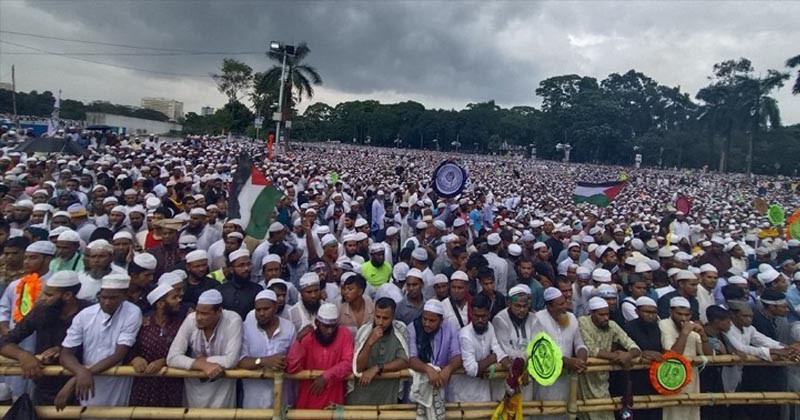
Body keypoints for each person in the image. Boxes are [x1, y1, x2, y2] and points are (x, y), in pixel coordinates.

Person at [56, 274, 143, 412]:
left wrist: (76, 379)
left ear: (124, 296)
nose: (107, 302)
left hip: (115, 378)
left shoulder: (132, 312)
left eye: (113, 298)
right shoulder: (85, 315)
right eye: (103, 297)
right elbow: (66, 354)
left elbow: (119, 354)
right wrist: (80, 372)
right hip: (86, 379)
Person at [0, 271, 89, 405]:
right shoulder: (41, 310)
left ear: (67, 296)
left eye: (49, 295)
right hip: (45, 385)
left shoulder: (89, 312)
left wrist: (63, 350)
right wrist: (23, 355)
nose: (42, 298)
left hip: (82, 383)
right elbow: (5, 342)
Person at [166, 289, 243, 408]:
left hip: (222, 386)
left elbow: (231, 360)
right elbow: (172, 357)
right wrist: (202, 365)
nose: (199, 317)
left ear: (218, 312)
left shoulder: (233, 320)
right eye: (198, 312)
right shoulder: (191, 319)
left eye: (204, 314)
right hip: (193, 385)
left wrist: (203, 361)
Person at [577, 297, 641, 420]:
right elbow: (591, 349)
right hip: (585, 376)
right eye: (601, 315)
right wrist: (617, 356)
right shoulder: (583, 322)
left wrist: (628, 355)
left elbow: (634, 346)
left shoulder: (611, 325)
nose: (605, 318)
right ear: (592, 313)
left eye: (607, 314)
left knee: (605, 412)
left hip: (603, 378)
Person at [532, 287, 588, 420]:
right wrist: (569, 362)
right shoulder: (538, 319)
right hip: (545, 382)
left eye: (566, 302)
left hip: (566, 380)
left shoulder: (572, 318)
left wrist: (581, 359)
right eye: (561, 304)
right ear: (549, 307)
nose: (566, 307)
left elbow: (580, 344)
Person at [286, 303, 354, 409]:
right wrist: (298, 341)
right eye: (326, 326)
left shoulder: (344, 334)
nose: (329, 331)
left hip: (333, 399)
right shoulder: (307, 337)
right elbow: (292, 367)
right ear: (317, 323)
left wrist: (326, 377)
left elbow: (348, 363)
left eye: (333, 326)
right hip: (308, 398)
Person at [128, 283, 185, 407]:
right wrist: (135, 358)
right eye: (174, 298)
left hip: (171, 385)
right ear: (160, 304)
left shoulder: (181, 324)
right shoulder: (142, 323)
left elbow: (187, 351)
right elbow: (129, 347)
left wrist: (164, 361)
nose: (179, 300)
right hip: (143, 384)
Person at [238, 289, 296, 409]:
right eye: (258, 310)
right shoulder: (246, 328)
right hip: (254, 399)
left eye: (266, 309)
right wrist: (264, 361)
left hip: (282, 398)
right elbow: (241, 361)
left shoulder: (289, 328)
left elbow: (294, 359)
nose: (261, 313)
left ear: (275, 308)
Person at [659, 296, 713, 420]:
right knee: (673, 414)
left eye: (686, 315)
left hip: (692, 378)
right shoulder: (664, 324)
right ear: (670, 312)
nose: (683, 318)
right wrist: (684, 333)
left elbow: (708, 355)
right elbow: (673, 354)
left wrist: (704, 336)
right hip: (671, 377)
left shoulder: (692, 327)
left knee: (691, 412)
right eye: (679, 314)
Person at [348, 297, 409, 404]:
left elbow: (404, 361)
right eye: (377, 317)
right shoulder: (364, 331)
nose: (380, 322)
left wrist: (378, 368)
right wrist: (369, 342)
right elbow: (358, 367)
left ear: (393, 317)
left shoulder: (400, 330)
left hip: (387, 396)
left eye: (385, 318)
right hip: (362, 395)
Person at [450, 294, 510, 403]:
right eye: (477, 316)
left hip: (483, 391)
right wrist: (491, 359)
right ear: (471, 314)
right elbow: (472, 370)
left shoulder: (490, 327)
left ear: (488, 314)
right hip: (463, 392)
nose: (480, 320)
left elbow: (498, 351)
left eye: (484, 316)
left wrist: (510, 367)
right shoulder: (465, 335)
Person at [407, 298, 462, 413]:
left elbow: (457, 356)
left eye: (432, 321)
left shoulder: (450, 327)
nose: (426, 324)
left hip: (441, 383)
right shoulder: (413, 328)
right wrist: (427, 369)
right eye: (424, 319)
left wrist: (449, 369)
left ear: (441, 320)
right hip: (417, 385)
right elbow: (411, 359)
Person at [491, 284, 536, 401]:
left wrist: (527, 365)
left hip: (527, 375)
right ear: (509, 304)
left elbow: (536, 345)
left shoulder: (534, 319)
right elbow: (505, 349)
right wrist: (523, 361)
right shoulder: (500, 319)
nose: (521, 310)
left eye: (524, 306)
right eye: (517, 306)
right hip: (505, 375)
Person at [622, 296, 663, 420]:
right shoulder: (628, 328)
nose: (651, 316)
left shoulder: (658, 328)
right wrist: (642, 353)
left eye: (653, 313)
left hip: (655, 378)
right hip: (635, 379)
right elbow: (622, 350)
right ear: (637, 312)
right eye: (647, 312)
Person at [218, 249, 263, 319]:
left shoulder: (258, 289)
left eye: (248, 264)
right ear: (231, 269)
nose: (246, 268)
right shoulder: (221, 290)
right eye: (241, 265)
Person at [338, 273, 375, 338]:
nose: (345, 292)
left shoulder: (373, 309)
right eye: (344, 289)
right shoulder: (340, 311)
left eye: (350, 289)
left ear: (360, 291)